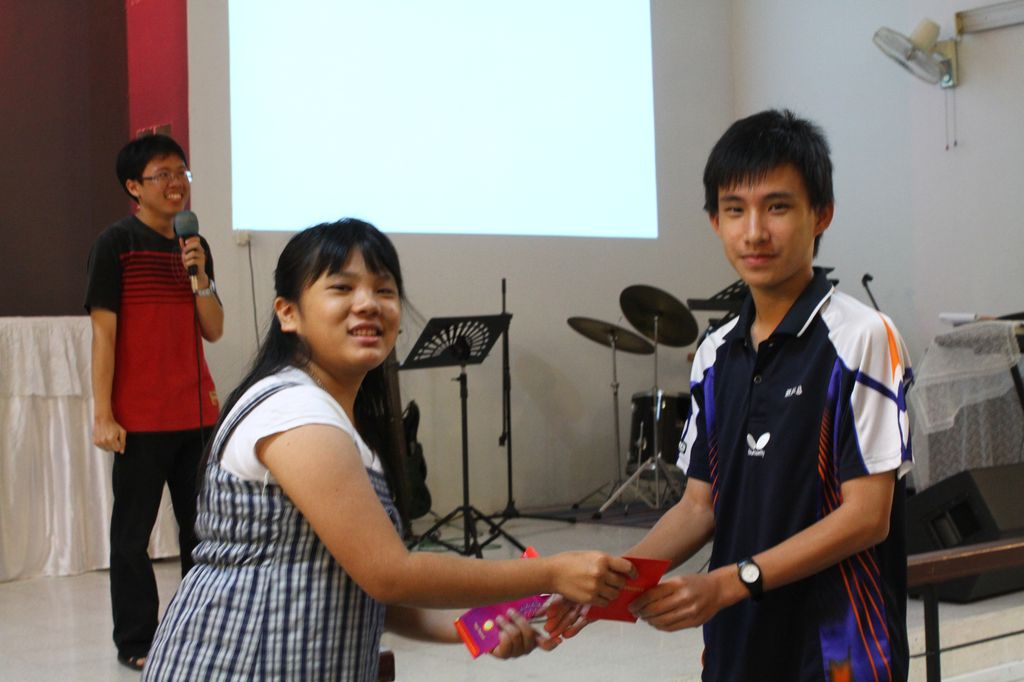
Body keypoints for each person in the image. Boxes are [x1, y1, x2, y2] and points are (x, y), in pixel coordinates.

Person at [141, 219, 635, 680]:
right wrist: (549, 572)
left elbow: (370, 591)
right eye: (342, 288)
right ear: (288, 313)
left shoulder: (340, 422)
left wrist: (482, 627)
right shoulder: (292, 408)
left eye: (384, 290)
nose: (369, 304)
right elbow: (389, 575)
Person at [550, 109, 914, 681]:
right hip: (737, 643)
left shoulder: (862, 337)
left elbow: (867, 517)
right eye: (735, 209)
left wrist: (728, 582)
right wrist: (609, 584)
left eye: (777, 207)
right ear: (715, 221)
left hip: (842, 649)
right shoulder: (714, 353)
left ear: (821, 214)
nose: (754, 232)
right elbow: (699, 506)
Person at [84, 133, 224, 672]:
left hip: (196, 414)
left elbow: (214, 328)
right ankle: (137, 640)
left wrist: (200, 276)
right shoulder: (115, 245)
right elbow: (104, 336)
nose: (175, 184)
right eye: (162, 174)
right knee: (132, 538)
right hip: (140, 418)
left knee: (202, 534)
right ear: (133, 187)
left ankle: (198, 628)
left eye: (181, 172)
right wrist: (103, 413)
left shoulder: (195, 245)